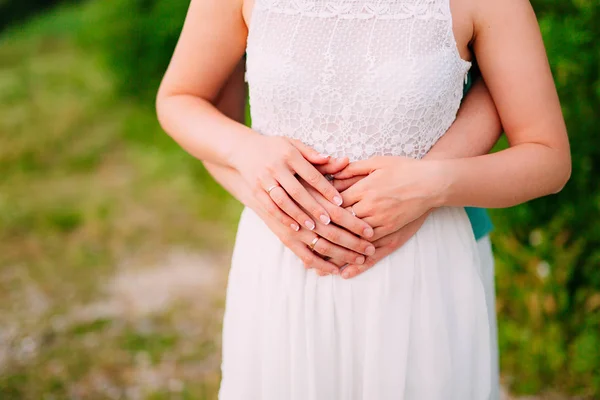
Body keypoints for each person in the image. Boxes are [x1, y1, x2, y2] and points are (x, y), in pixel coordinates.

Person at [156, 0, 571, 397]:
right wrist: (247, 153)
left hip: (420, 265)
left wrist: (432, 184)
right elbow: (183, 97)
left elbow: (546, 155)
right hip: (284, 258)